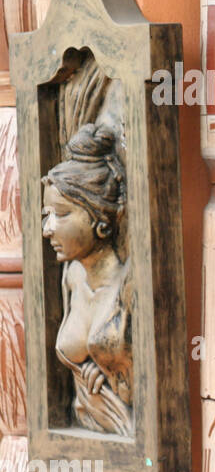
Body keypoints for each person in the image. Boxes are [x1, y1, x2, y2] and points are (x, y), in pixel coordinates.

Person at [40, 122, 132, 437]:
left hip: (123, 431)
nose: (47, 228)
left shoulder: (128, 290)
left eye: (61, 214)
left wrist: (110, 371)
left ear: (99, 221)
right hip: (85, 428)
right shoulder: (73, 276)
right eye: (46, 215)